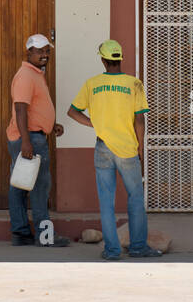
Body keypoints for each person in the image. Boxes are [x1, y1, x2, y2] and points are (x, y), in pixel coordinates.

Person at [67, 39, 162, 261]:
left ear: (102, 59)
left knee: (106, 201)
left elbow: (73, 111)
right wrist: (139, 148)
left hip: (103, 147)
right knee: (135, 198)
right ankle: (138, 248)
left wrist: (96, 124)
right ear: (120, 59)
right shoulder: (134, 84)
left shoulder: (92, 84)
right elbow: (140, 120)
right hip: (128, 148)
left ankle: (112, 251)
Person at [7, 33, 70, 247]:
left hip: (33, 135)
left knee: (20, 186)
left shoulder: (36, 74)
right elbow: (20, 109)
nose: (44, 55)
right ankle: (44, 237)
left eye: (47, 51)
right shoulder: (26, 75)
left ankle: (21, 233)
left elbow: (34, 109)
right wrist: (27, 142)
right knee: (40, 186)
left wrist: (51, 126)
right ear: (29, 52)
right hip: (30, 138)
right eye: (40, 51)